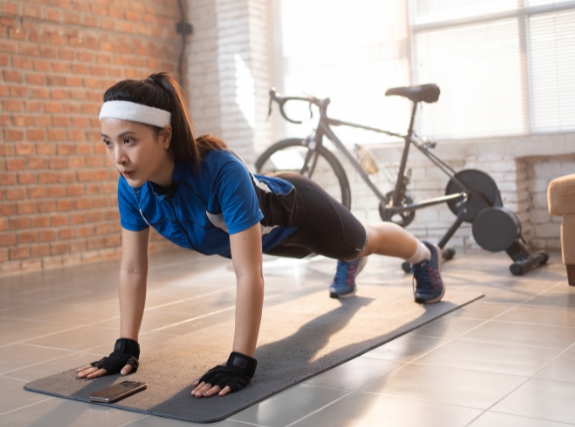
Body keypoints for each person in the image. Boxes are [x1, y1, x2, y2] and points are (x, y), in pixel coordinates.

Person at [76, 72, 444, 398]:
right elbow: (132, 269)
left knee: (362, 243)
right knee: (343, 252)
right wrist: (126, 345)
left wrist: (241, 361)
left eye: (129, 141)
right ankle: (353, 261)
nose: (118, 158)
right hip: (273, 239)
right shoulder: (131, 189)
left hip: (302, 213)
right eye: (108, 142)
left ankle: (424, 255)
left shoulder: (220, 172)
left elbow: (248, 273)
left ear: (165, 134)